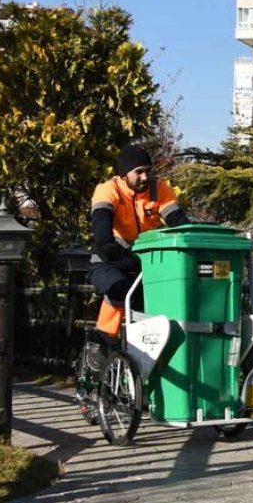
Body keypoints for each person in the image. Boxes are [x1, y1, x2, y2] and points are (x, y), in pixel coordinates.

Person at [80, 144, 188, 379]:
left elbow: (178, 221)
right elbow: (102, 232)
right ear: (123, 174)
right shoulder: (108, 190)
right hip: (108, 260)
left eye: (148, 170)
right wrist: (116, 251)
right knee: (120, 290)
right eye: (138, 171)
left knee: (162, 303)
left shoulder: (158, 190)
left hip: (145, 263)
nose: (145, 177)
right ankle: (100, 341)